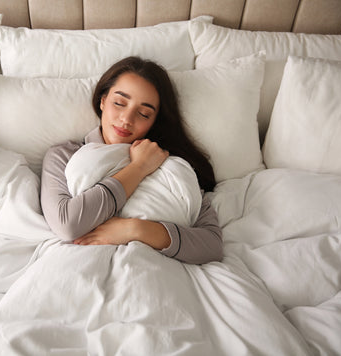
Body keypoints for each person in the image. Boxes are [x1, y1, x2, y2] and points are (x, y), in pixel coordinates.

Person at [40, 56, 222, 264]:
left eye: (144, 114)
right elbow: (67, 224)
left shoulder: (169, 165)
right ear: (102, 101)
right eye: (119, 103)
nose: (126, 119)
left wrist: (135, 229)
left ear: (154, 121)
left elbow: (212, 245)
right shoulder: (64, 155)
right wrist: (138, 168)